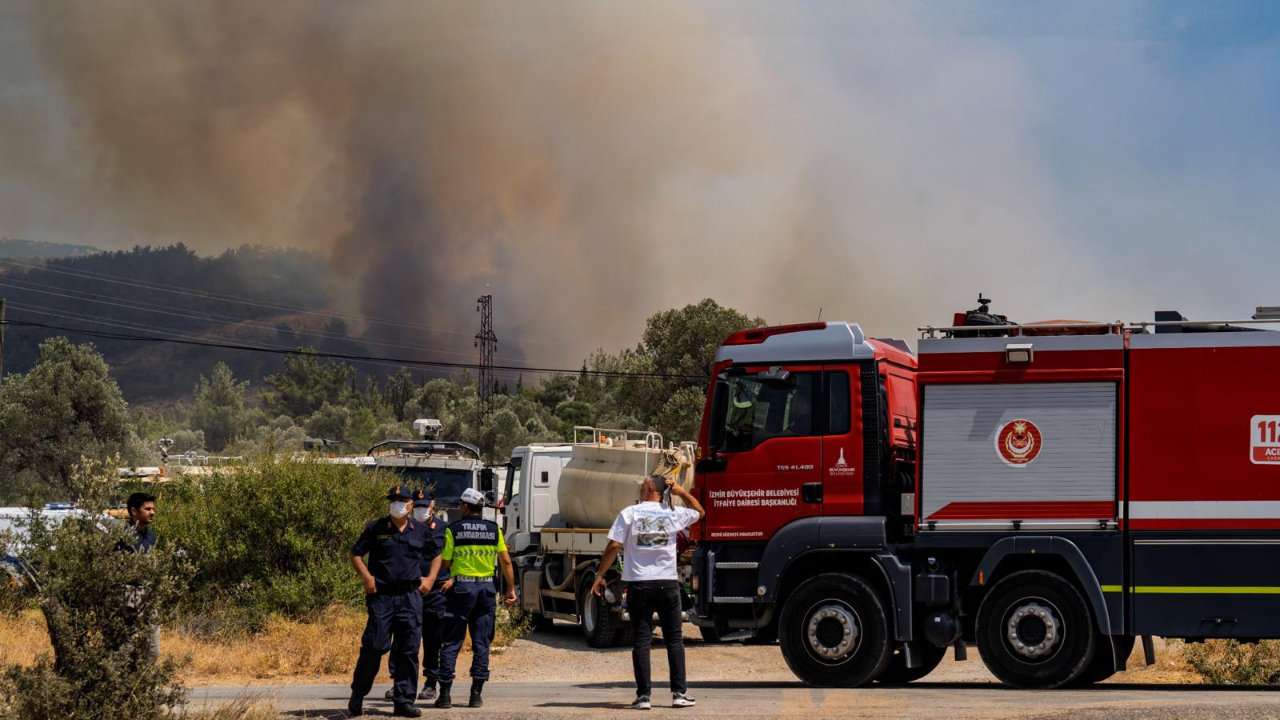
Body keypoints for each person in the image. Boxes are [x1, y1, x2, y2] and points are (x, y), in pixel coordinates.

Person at [592, 474, 705, 710]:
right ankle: (679, 693)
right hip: (667, 583)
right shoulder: (672, 514)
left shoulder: (630, 513)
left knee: (642, 639)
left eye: (642, 486)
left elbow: (614, 545)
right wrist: (682, 492)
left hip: (639, 584)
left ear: (651, 488)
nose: (640, 490)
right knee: (674, 639)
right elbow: (699, 512)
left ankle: (644, 696)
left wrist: (600, 574)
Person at [347, 485, 433, 719]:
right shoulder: (376, 528)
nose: (396, 503)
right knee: (374, 646)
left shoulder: (419, 530)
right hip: (382, 597)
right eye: (393, 499)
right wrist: (366, 577)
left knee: (408, 650)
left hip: (410, 597)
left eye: (401, 499)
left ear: (410, 505)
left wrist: (430, 579)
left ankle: (403, 702)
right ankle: (358, 694)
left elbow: (437, 554)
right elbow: (355, 554)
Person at [435, 487, 517, 709]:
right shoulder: (493, 530)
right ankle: (476, 695)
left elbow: (445, 562)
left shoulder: (453, 530)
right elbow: (506, 561)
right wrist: (510, 589)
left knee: (452, 641)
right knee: (481, 643)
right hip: (486, 590)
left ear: (464, 506)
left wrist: (454, 571)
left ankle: (445, 695)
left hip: (462, 589)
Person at [385, 487, 448, 703]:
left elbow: (452, 557)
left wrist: (450, 579)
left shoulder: (444, 529)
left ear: (433, 506)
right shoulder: (406, 528)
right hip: (408, 591)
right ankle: (399, 682)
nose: (421, 510)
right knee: (402, 639)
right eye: (417, 506)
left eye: (424, 506)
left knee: (433, 639)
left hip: (435, 592)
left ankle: (431, 682)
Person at [122, 492, 160, 656]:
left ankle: (147, 672)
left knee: (152, 646)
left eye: (153, 509)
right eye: (147, 509)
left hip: (149, 592)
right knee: (127, 643)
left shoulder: (151, 536)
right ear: (134, 511)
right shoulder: (123, 535)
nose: (152, 512)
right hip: (129, 593)